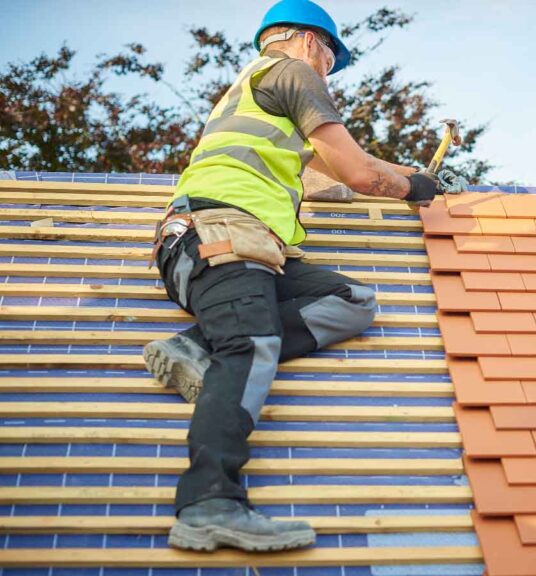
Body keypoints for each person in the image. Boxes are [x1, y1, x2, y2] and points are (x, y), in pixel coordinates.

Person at [142, 0, 443, 552]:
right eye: (331, 54)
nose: (329, 67)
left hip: (226, 245)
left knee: (350, 301)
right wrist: (414, 191)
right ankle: (210, 502)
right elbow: (357, 172)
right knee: (252, 345)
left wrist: (416, 175)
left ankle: (199, 345)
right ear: (310, 42)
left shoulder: (257, 92)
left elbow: (340, 165)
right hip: (223, 235)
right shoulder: (294, 72)